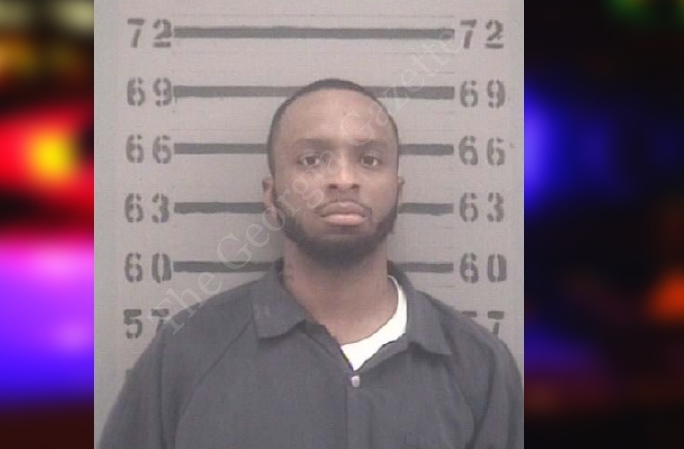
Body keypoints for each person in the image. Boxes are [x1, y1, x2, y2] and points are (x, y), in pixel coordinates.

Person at [99, 78, 523, 449]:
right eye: (311, 159)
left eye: (369, 159)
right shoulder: (186, 353)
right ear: (271, 195)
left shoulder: (480, 366)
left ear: (399, 191)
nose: (343, 179)